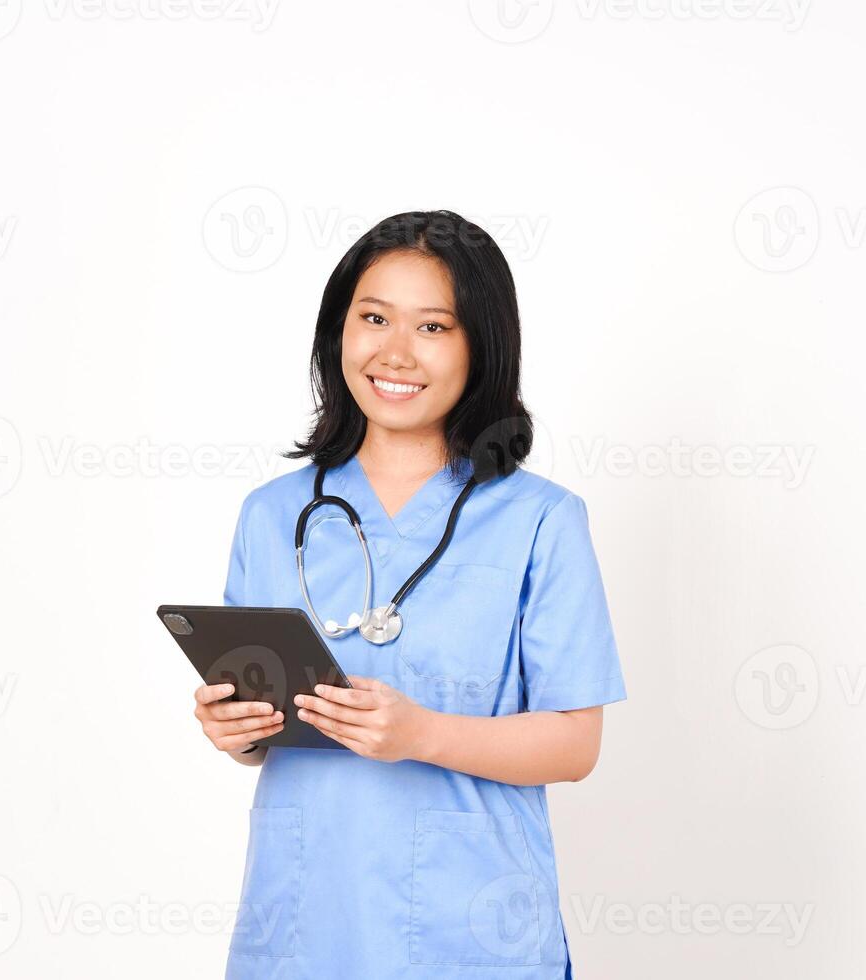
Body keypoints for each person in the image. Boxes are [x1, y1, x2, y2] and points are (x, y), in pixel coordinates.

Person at [190, 210, 627, 978]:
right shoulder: (271, 515)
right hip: (305, 922)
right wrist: (238, 731)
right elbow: (265, 736)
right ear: (339, 331)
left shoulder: (541, 522)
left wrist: (422, 734)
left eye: (432, 326)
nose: (395, 352)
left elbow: (575, 745)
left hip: (474, 931)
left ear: (479, 346)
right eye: (373, 318)